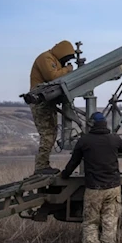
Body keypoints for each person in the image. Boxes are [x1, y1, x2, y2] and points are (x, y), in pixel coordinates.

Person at [61, 112, 122, 243]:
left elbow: (73, 163)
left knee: (91, 223)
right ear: (105, 124)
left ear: (91, 125)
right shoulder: (114, 139)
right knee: (110, 222)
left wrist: (64, 175)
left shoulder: (84, 141)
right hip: (113, 188)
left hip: (94, 190)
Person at [29, 40, 76, 175]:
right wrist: (68, 69)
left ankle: (43, 165)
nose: (66, 62)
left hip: (47, 102)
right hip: (40, 102)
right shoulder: (46, 58)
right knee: (47, 135)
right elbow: (52, 76)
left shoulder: (52, 59)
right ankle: (41, 167)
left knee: (51, 133)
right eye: (66, 58)